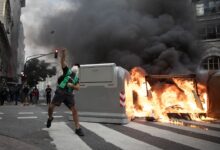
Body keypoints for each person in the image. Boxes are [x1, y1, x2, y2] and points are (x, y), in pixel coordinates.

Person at [46, 49, 84, 136]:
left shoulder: (77, 78)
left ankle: (78, 128)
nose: (75, 67)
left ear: (79, 69)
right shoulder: (67, 71)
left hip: (69, 94)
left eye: (77, 66)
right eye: (74, 65)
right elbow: (62, 62)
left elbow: (78, 87)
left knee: (74, 111)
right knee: (51, 107)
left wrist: (72, 86)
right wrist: (63, 54)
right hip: (60, 91)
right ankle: (50, 118)